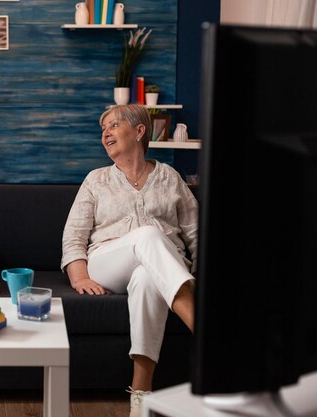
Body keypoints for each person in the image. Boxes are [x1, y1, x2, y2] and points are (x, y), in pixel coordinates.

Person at [61, 104, 197, 417]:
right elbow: (73, 238)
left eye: (113, 125)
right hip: (109, 263)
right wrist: (80, 277)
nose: (105, 134)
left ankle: (140, 394)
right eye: (103, 130)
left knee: (149, 279)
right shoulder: (96, 180)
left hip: (160, 267)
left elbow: (195, 233)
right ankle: (203, 330)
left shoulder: (170, 177)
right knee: (148, 235)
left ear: (139, 131)